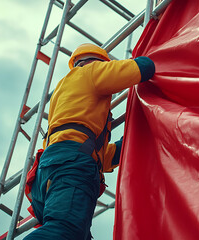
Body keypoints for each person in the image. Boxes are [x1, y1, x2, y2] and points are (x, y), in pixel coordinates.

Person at [23, 43, 155, 240]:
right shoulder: (92, 71)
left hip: (51, 169)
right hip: (71, 165)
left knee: (75, 235)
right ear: (101, 62)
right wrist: (155, 55)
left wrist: (129, 142)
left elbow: (93, 150)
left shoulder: (65, 88)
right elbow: (144, 68)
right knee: (65, 231)